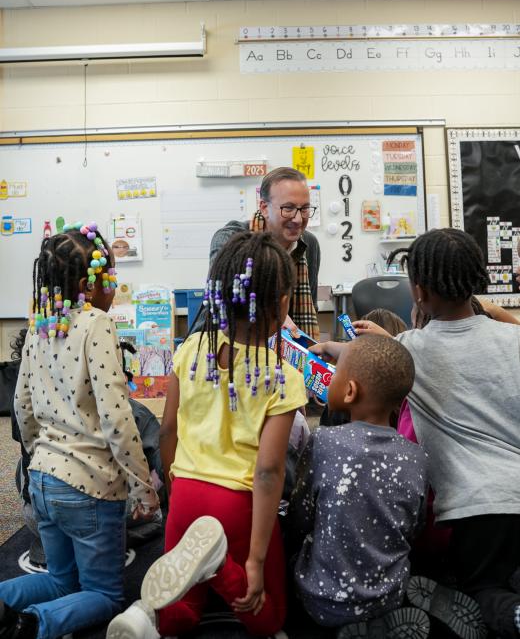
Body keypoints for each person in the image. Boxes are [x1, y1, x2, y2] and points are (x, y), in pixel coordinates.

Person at [317, 228, 520, 639]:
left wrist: (329, 347)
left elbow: (373, 361)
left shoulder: (412, 348)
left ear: (420, 293)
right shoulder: (514, 339)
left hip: (473, 510)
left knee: (481, 592)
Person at [106, 231, 308, 639]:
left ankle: (148, 616)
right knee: (267, 615)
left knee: (183, 603)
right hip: (238, 504)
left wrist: (175, 484)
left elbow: (167, 429)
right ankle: (220, 564)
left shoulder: (192, 348)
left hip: (186, 493)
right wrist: (253, 559)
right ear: (281, 302)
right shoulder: (283, 378)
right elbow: (269, 472)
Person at [0, 222, 159, 639]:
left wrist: (42, 456)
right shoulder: (96, 324)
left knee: (60, 579)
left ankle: (3, 603)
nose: (116, 285)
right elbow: (117, 419)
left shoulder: (40, 325)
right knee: (105, 595)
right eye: (111, 275)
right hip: (91, 488)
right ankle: (32, 625)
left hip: (42, 481)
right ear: (93, 282)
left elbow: (22, 406)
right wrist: (143, 487)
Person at [288, 335, 429, 637]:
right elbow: (414, 527)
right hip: (390, 597)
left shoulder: (324, 442)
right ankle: (374, 621)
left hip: (321, 601)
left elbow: (301, 518)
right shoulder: (415, 456)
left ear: (349, 391)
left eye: (335, 372)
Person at [208, 167, 321, 340]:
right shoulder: (231, 239)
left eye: (305, 209)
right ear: (264, 207)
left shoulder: (309, 245)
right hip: (228, 346)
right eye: (288, 208)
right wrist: (276, 316)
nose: (298, 219)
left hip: (286, 351)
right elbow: (222, 299)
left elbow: (311, 304)